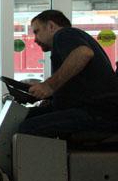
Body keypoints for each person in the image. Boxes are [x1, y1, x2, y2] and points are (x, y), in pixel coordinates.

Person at [18, 9, 118, 138]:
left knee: (27, 128)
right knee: (21, 117)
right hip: (93, 110)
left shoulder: (64, 34)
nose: (35, 40)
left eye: (37, 32)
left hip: (98, 113)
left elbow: (83, 53)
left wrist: (49, 86)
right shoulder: (69, 41)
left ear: (51, 26)